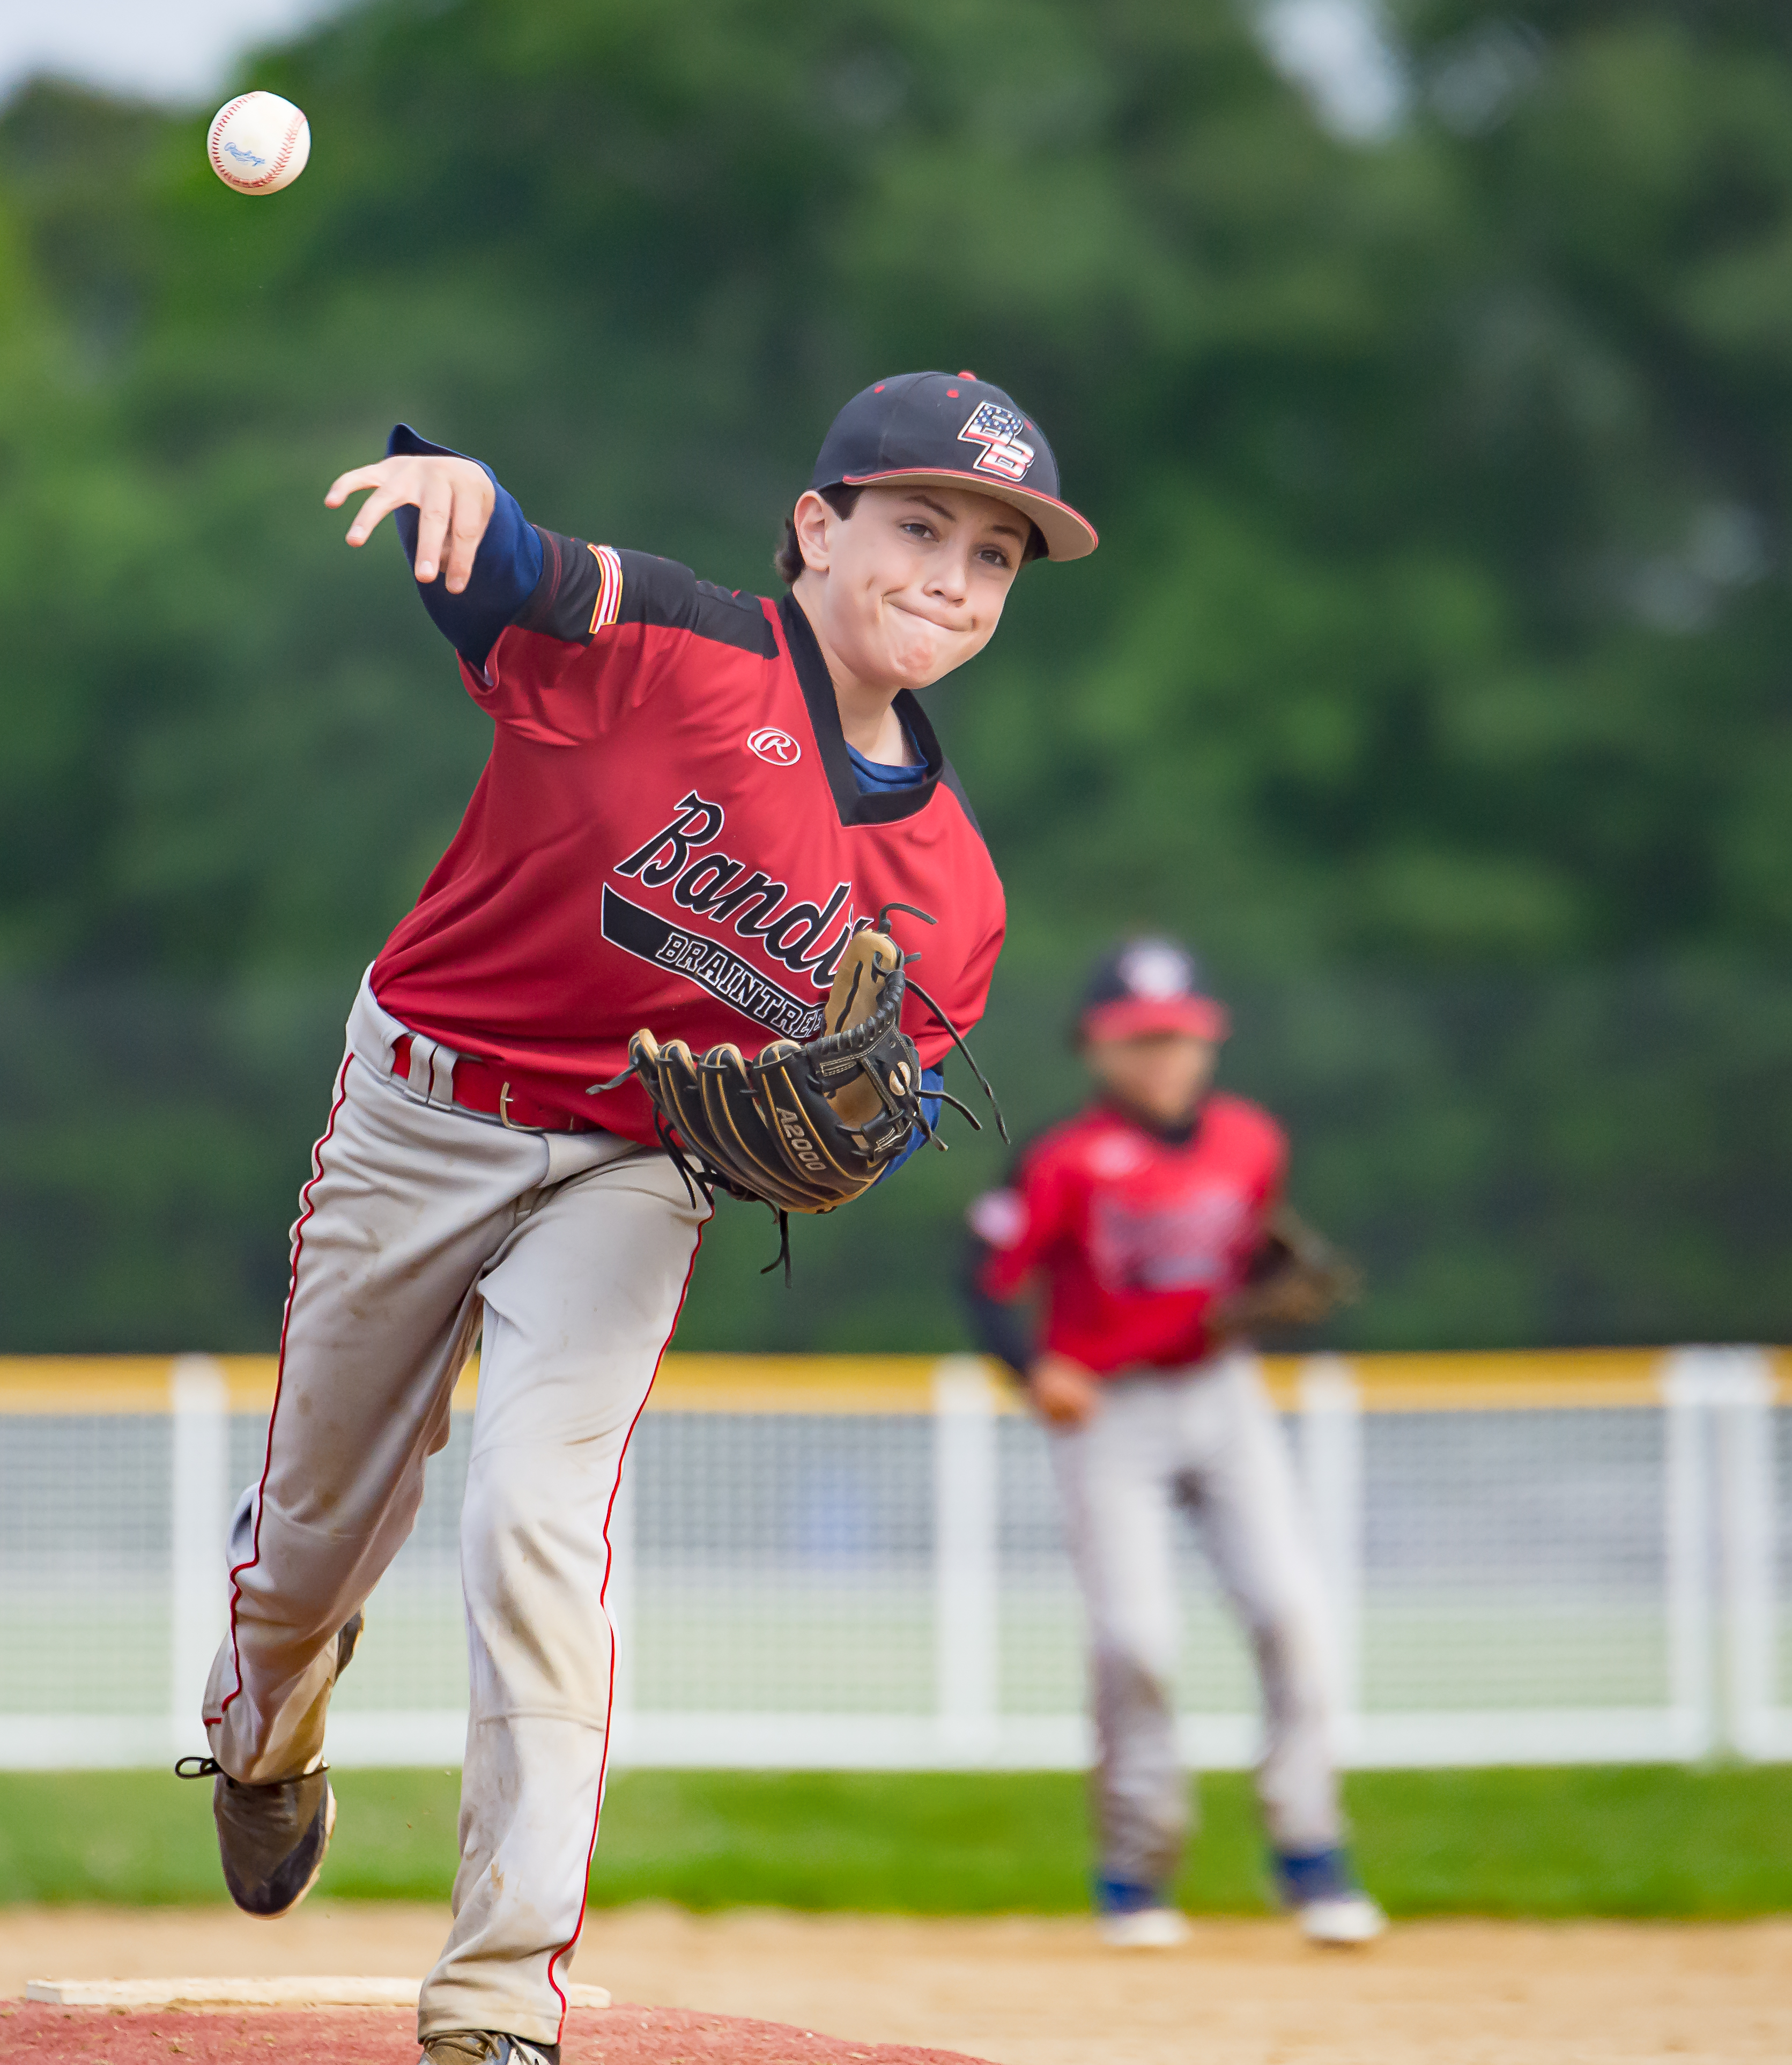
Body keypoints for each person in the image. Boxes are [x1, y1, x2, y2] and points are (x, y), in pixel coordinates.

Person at [199, 374, 1095, 2065]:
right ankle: (260, 1737)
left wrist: (838, 1149)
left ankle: (498, 1996)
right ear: (817, 527)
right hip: (422, 1107)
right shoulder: (684, 644)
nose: (953, 575)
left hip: (631, 1166)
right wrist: (449, 484)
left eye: (995, 554)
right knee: (312, 1540)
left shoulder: (953, 889)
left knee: (533, 1520)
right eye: (917, 524)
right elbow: (509, 570)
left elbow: (874, 1116)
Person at [962, 937, 1384, 1950]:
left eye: (1180, 1038)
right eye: (1139, 1040)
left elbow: (1257, 1246)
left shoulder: (1250, 1140)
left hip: (1222, 1398)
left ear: (1208, 1044)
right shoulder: (1063, 1158)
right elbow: (981, 1275)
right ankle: (1137, 1867)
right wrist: (1033, 1370)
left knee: (1293, 1615)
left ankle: (1311, 1847)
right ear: (1097, 1052)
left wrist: (1271, 1278)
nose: (1163, 1058)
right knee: (1136, 1643)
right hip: (1110, 1413)